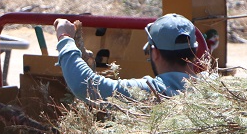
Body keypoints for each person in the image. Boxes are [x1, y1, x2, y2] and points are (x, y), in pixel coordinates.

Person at [54, 13, 200, 101]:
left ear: (154, 53)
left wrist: (65, 37)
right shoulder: (213, 86)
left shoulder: (152, 92)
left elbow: (85, 85)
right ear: (195, 50)